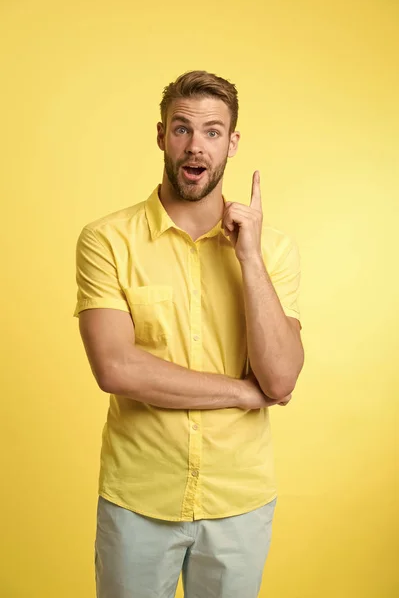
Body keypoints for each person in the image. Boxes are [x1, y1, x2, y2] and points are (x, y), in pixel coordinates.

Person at [73, 69, 304, 598]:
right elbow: (116, 367)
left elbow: (283, 375)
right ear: (161, 136)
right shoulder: (107, 240)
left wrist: (248, 257)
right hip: (139, 498)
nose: (195, 146)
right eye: (182, 129)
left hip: (239, 501)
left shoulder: (274, 252)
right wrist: (243, 393)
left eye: (212, 131)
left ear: (233, 142)